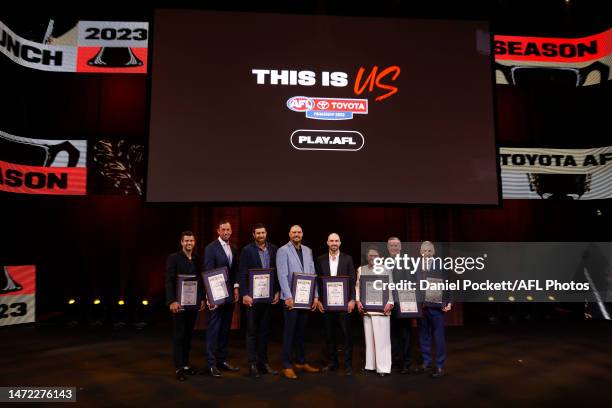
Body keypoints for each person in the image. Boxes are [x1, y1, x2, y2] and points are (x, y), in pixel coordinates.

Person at [276, 225, 321, 379]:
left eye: (299, 232)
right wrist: (288, 297)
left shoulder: (308, 250)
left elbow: (313, 273)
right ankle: (287, 365)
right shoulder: (283, 250)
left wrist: (315, 296)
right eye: (294, 232)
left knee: (301, 332)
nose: (296, 234)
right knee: (289, 333)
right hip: (290, 299)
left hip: (305, 298)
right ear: (289, 234)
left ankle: (301, 362)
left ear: (302, 234)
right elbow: (282, 275)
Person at [238, 223, 280, 378]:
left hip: (268, 298)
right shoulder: (247, 250)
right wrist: (245, 294)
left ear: (266, 233)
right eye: (258, 233)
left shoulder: (274, 249)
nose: (261, 235)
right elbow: (242, 273)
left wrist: (277, 291)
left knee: (264, 332)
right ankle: (252, 364)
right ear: (253, 235)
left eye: (263, 232)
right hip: (252, 299)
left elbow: (277, 273)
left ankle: (263, 363)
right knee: (251, 332)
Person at [165, 231, 205, 381]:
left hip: (192, 304)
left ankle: (186, 365)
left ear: (194, 243)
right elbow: (169, 281)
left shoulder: (196, 259)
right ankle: (178, 368)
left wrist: (201, 299)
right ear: (181, 242)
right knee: (179, 335)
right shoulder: (173, 258)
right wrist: (171, 301)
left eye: (191, 241)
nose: (189, 243)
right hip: (178, 304)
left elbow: (199, 281)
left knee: (188, 335)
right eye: (186, 241)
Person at [316, 233, 356, 376]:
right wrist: (318, 299)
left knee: (346, 335)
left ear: (340, 243)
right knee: (329, 335)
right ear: (327, 242)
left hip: (344, 304)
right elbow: (318, 282)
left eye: (336, 241)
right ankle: (333, 363)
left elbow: (352, 280)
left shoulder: (348, 259)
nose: (334, 243)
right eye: (331, 240)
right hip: (327, 305)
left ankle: (348, 365)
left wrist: (352, 299)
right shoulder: (320, 259)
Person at [204, 220, 240, 377]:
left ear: (231, 231)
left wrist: (236, 287)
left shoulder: (233, 248)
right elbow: (208, 271)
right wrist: (210, 297)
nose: (226, 232)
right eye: (223, 229)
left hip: (230, 295)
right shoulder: (210, 248)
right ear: (218, 231)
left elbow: (235, 271)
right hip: (216, 295)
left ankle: (222, 360)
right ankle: (211, 364)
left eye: (228, 230)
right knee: (214, 330)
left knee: (225, 329)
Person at [356, 247, 394, 376]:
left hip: (382, 309)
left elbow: (391, 286)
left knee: (382, 339)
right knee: (369, 338)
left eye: (375, 255)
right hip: (367, 309)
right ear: (367, 257)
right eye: (370, 255)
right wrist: (358, 301)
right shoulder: (361, 269)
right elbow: (358, 287)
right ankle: (371, 365)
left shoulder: (386, 269)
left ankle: (383, 367)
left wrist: (390, 302)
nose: (373, 258)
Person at [417, 241, 452, 379]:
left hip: (437, 307)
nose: (427, 252)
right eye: (425, 250)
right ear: (421, 252)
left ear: (434, 252)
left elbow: (449, 283)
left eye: (430, 250)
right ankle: (426, 361)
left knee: (438, 337)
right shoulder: (416, 266)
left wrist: (449, 301)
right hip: (421, 307)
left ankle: (439, 365)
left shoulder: (441, 265)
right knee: (423, 335)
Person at [388, 237, 420, 373]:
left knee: (405, 333)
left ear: (400, 247)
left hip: (405, 302)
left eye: (396, 245)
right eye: (391, 246)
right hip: (389, 303)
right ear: (388, 248)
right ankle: (396, 361)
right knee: (393, 333)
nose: (394, 248)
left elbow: (413, 281)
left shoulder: (408, 261)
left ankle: (406, 363)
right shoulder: (384, 262)